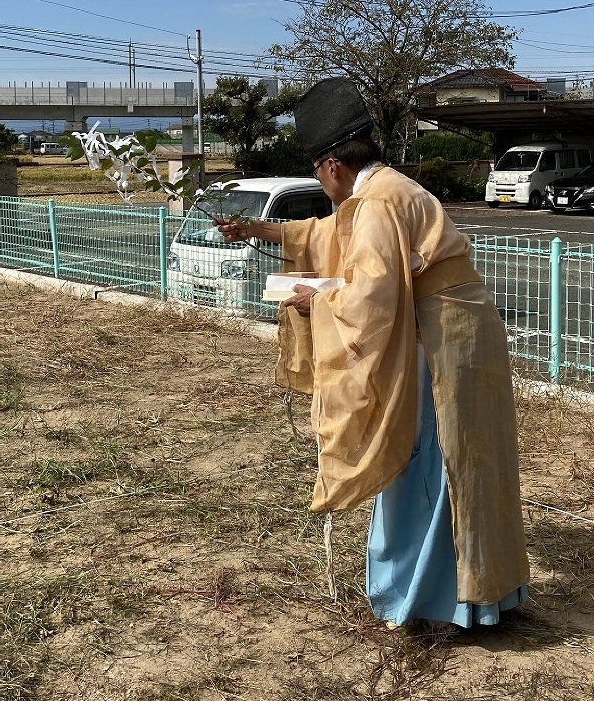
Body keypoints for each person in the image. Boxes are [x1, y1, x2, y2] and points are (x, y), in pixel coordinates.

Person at [216, 77, 529, 628]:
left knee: (431, 466)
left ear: (332, 165)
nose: (320, 182)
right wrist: (258, 230)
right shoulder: (388, 189)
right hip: (460, 330)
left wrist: (319, 301)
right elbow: (326, 238)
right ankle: (485, 596)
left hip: (439, 346)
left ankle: (431, 602)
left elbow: (371, 297)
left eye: (316, 171)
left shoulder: (378, 204)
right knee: (473, 466)